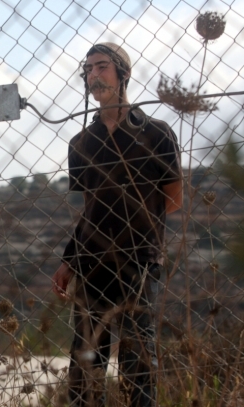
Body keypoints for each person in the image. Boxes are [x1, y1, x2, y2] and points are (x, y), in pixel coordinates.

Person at [52, 43, 183, 406]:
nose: (94, 75)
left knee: (136, 354)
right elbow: (90, 209)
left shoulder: (156, 133)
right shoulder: (82, 142)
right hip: (92, 262)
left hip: (138, 258)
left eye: (102, 67)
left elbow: (173, 198)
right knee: (86, 355)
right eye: (88, 70)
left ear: (123, 73)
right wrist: (69, 259)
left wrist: (136, 223)